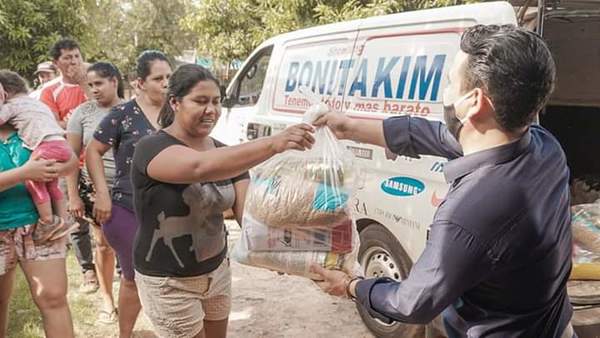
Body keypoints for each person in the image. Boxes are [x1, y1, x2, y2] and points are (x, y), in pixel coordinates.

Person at [311, 24, 576, 338]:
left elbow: (414, 302)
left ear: (474, 102)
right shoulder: (546, 148)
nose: (445, 93)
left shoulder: (468, 214)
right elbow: (438, 136)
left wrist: (352, 286)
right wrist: (351, 127)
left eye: (450, 82)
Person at [131, 63, 314, 338]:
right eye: (200, 101)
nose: (211, 110)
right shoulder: (152, 148)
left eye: (216, 101)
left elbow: (249, 215)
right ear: (175, 102)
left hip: (216, 272)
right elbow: (198, 168)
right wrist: (275, 143)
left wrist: (277, 255)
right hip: (168, 282)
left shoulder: (227, 154)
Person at [86, 50, 172, 338]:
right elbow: (93, 152)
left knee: (173, 279)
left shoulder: (178, 112)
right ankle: (125, 334)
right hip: (127, 208)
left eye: (169, 77)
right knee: (133, 278)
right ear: (140, 82)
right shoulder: (122, 115)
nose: (165, 83)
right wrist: (102, 194)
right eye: (158, 78)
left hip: (170, 211)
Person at [0, 81, 78, 338]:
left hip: (40, 227)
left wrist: (57, 168)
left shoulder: (28, 117)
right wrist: (24, 173)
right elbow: (28, 172)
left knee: (54, 298)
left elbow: (68, 160)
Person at [65, 62, 124, 323]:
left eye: (98, 83)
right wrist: (74, 196)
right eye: (90, 85)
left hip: (130, 189)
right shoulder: (82, 113)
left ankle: (136, 297)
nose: (94, 90)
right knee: (103, 245)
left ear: (114, 81)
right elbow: (69, 158)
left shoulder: (132, 110)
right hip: (96, 192)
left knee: (138, 245)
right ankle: (108, 301)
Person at [39, 38, 99, 293]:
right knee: (75, 216)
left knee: (105, 212)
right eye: (67, 58)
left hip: (98, 158)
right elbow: (54, 126)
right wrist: (75, 127)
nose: (74, 62)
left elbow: (101, 110)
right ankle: (88, 269)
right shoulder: (50, 90)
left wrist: (85, 82)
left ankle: (116, 264)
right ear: (57, 63)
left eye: (77, 56)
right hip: (68, 162)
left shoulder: (94, 79)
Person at [0, 70, 78, 241]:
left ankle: (50, 222)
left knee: (41, 184)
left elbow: (72, 163)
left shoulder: (17, 114)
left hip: (35, 229)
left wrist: (50, 169)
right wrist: (25, 172)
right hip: (4, 228)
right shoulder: (36, 107)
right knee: (51, 186)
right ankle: (60, 221)